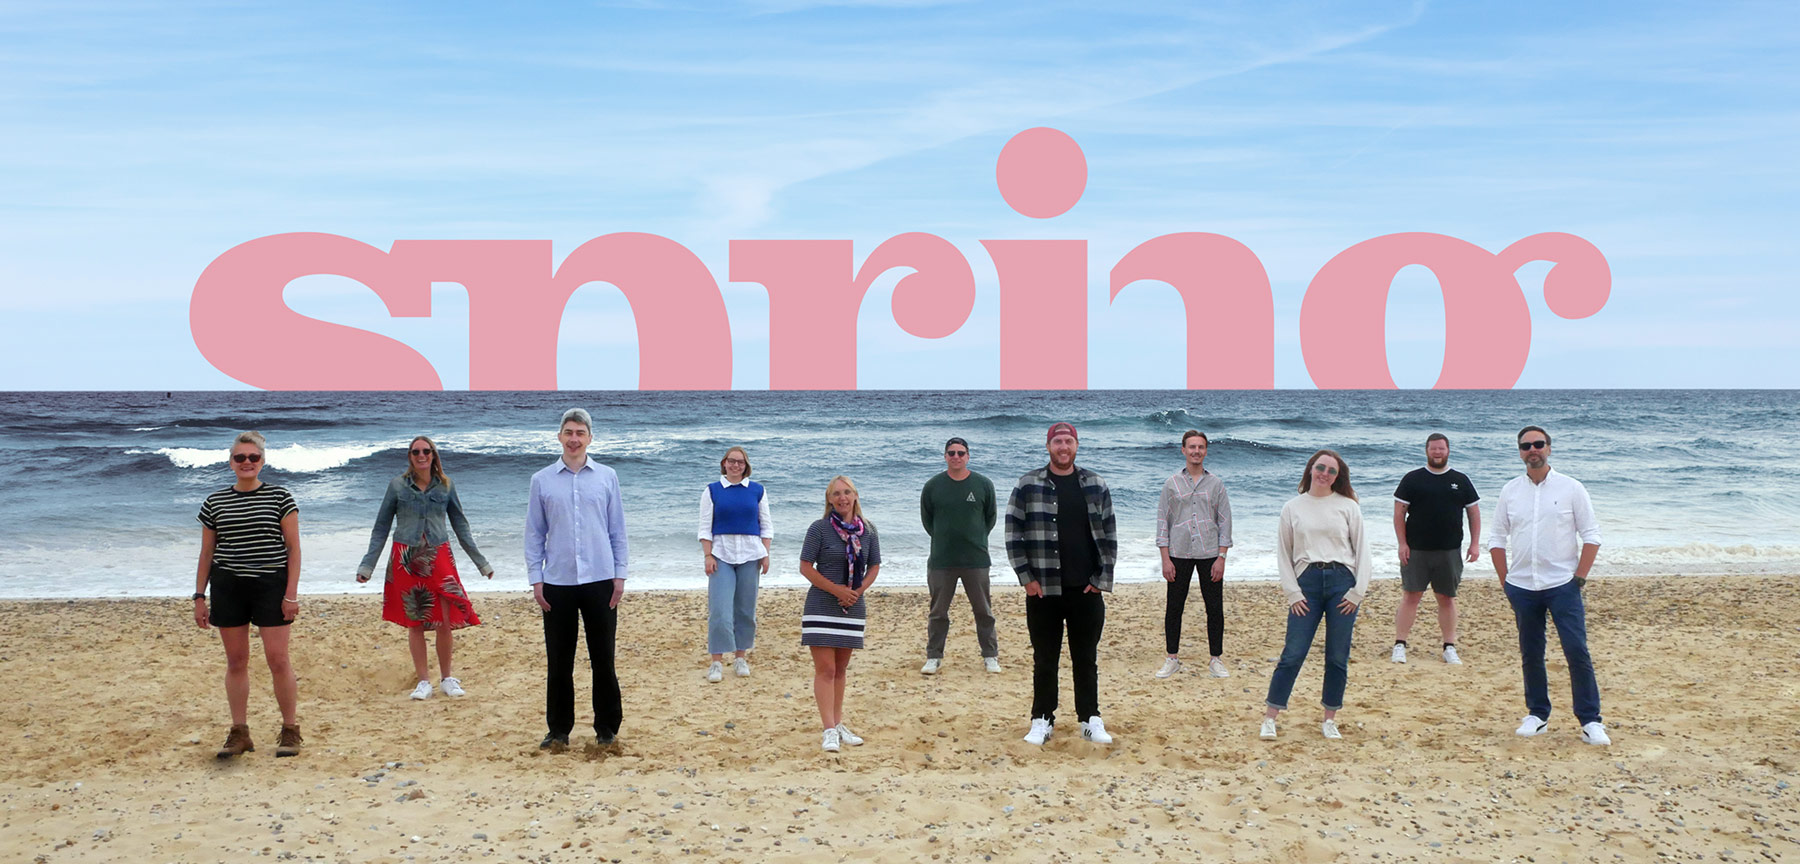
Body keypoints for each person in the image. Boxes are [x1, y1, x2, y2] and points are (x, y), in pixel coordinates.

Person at [1489, 425, 1608, 745]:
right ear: (1519, 452)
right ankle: (1537, 713)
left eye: (1538, 444)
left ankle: (1590, 720)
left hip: (1562, 584)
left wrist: (1578, 579)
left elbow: (1592, 536)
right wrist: (1506, 583)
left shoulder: (1571, 488)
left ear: (1549, 448)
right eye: (1526, 446)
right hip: (1522, 587)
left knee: (1576, 650)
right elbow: (1497, 539)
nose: (1533, 450)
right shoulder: (1510, 491)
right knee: (1531, 652)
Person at [356, 436, 495, 700]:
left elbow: (461, 526)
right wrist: (367, 566)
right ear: (410, 456)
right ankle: (423, 682)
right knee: (416, 621)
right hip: (406, 558)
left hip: (439, 556)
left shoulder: (446, 486)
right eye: (415, 452)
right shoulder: (397, 486)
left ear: (434, 455)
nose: (421, 455)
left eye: (426, 451)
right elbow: (381, 528)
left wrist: (481, 563)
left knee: (443, 619)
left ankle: (446, 678)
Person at [192, 430, 303, 758]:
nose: (247, 462)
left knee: (278, 659)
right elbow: (206, 553)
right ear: (231, 463)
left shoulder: (281, 498)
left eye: (253, 457)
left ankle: (290, 730)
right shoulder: (214, 502)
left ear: (262, 462)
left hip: (272, 585)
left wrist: (291, 594)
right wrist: (199, 596)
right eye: (240, 457)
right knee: (236, 661)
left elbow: (294, 549)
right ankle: (240, 732)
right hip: (228, 586)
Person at [1006, 422, 1117, 747]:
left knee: (1086, 659)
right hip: (1043, 591)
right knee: (1045, 659)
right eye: (1057, 442)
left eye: (1068, 441)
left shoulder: (1096, 484)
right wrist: (1026, 578)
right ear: (1048, 446)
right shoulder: (1028, 484)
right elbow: (1013, 534)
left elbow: (1109, 536)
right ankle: (1042, 719)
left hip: (1086, 589)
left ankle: (1089, 718)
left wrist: (1101, 579)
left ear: (1077, 445)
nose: (1063, 447)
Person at [525, 408, 629, 752]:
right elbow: (534, 533)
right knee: (559, 660)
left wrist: (620, 574)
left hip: (600, 578)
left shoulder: (607, 477)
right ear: (559, 436)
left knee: (603, 658)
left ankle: (607, 729)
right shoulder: (542, 480)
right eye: (568, 432)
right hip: (557, 581)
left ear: (589, 438)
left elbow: (617, 529)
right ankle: (558, 731)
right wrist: (536, 579)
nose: (574, 438)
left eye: (580, 433)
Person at [1261, 449, 1369, 742]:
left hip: (1341, 585)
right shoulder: (1292, 507)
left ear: (1338, 476)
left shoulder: (1348, 507)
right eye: (1320, 467)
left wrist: (1357, 592)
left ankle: (1329, 719)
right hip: (1306, 584)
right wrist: (1292, 593)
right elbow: (1284, 554)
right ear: (1310, 469)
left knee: (1337, 656)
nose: (1324, 473)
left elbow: (1362, 552)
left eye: (1331, 470)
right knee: (1293, 653)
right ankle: (1271, 717)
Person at [800, 476, 882, 752]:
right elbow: (806, 567)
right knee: (826, 669)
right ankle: (828, 730)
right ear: (829, 500)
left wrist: (856, 591)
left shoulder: (868, 530)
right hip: (822, 605)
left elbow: (874, 566)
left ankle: (837, 723)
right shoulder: (819, 529)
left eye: (847, 492)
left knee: (841, 670)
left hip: (853, 605)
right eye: (836, 494)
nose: (842, 498)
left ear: (855, 496)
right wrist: (837, 590)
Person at [1391, 433, 1481, 665]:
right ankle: (1399, 645)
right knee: (1411, 596)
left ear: (1448, 450)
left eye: (1441, 448)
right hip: (1416, 550)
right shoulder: (1413, 479)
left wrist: (1474, 543)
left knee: (1446, 598)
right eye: (1433, 449)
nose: (1437, 452)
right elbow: (1399, 513)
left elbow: (1474, 513)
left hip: (1449, 550)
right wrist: (1402, 543)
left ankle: (1449, 647)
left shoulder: (1460, 480)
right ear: (1427, 451)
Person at [1153, 429, 1234, 680]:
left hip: (1210, 552)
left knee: (1214, 608)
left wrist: (1222, 557)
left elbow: (1225, 521)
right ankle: (1172, 658)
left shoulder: (1216, 484)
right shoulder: (1171, 484)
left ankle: (1215, 660)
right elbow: (1162, 522)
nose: (1196, 451)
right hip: (1178, 552)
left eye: (1200, 447)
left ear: (1206, 451)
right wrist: (1165, 558)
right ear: (1183, 450)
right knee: (1174, 607)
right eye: (1192, 447)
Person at [919, 436, 1000, 675]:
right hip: (942, 560)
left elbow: (990, 518)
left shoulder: (983, 484)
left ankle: (990, 656)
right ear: (945, 456)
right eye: (952, 453)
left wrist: (974, 538)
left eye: (961, 453)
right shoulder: (933, 486)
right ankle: (933, 657)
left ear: (968, 456)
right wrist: (944, 538)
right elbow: (928, 520)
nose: (956, 457)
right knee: (938, 613)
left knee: (984, 611)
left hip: (976, 559)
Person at [699, 446, 771, 683]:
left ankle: (740, 657)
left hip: (750, 556)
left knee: (745, 610)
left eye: (740, 462)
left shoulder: (757, 490)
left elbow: (766, 525)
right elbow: (704, 527)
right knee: (719, 610)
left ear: (746, 465)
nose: (736, 465)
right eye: (732, 461)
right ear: (724, 463)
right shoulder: (712, 490)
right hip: (721, 555)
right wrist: (708, 556)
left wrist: (765, 553)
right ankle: (716, 662)